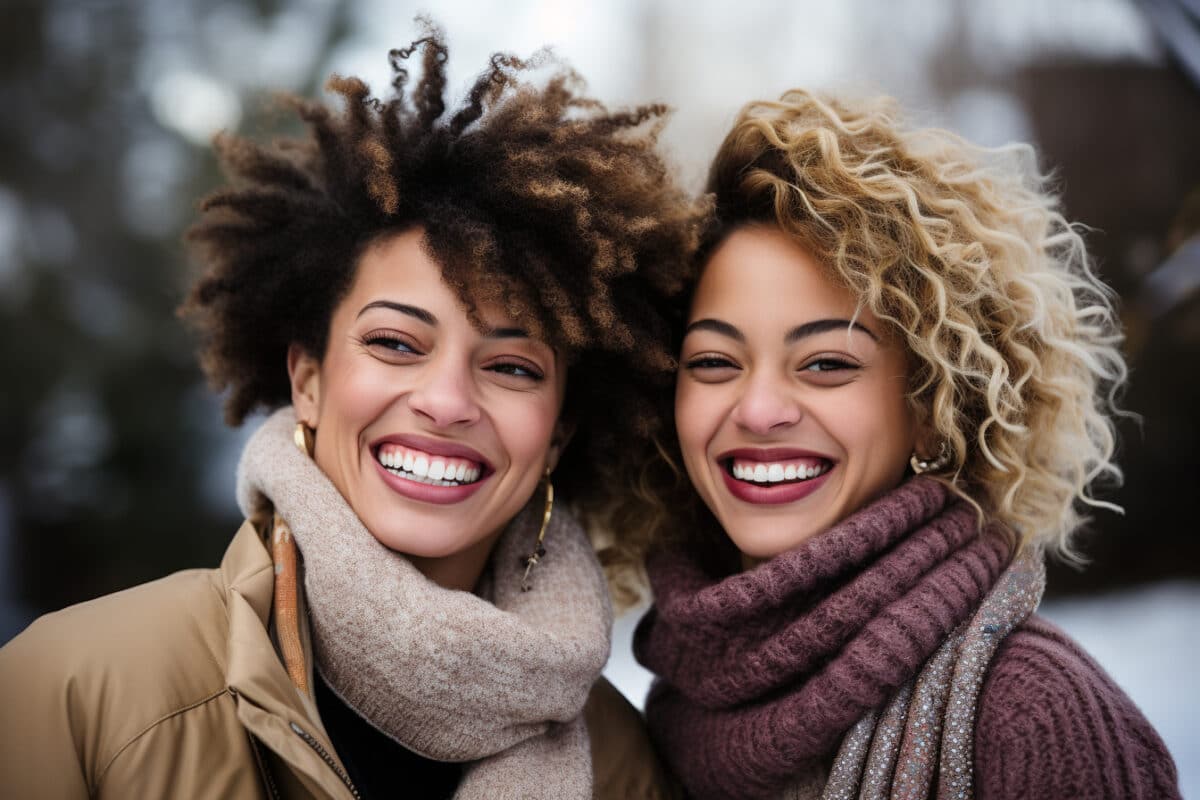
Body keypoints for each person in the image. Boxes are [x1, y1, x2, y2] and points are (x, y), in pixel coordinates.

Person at [0, 25, 703, 799]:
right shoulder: (72, 693)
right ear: (307, 378)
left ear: (560, 431)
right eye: (397, 344)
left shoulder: (625, 769)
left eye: (510, 365)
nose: (445, 402)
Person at [630, 90, 1181, 799]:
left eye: (827, 363)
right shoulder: (664, 708)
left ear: (932, 405)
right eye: (713, 362)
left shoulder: (1034, 714)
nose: (759, 409)